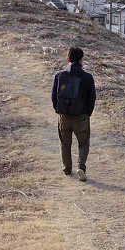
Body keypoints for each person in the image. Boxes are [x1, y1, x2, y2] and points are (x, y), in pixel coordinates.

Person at [51, 47, 96, 181]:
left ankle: (67, 168)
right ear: (81, 60)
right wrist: (88, 113)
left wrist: (58, 111)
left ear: (68, 59)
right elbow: (92, 98)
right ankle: (81, 167)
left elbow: (54, 96)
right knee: (83, 143)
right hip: (81, 116)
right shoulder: (87, 77)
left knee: (65, 143)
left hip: (63, 116)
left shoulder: (59, 75)